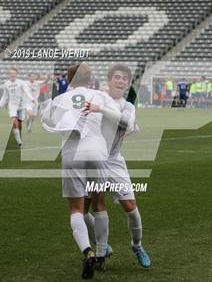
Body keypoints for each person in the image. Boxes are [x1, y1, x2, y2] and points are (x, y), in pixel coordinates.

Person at [41, 62, 120, 279]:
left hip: (71, 151)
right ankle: (102, 254)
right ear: (90, 79)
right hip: (96, 149)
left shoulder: (60, 99)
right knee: (99, 203)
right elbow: (116, 117)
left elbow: (47, 121)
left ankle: (88, 251)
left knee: (76, 209)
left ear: (69, 80)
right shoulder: (100, 95)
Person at [82, 64, 151, 270]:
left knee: (131, 209)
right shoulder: (97, 98)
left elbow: (126, 122)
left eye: (125, 79)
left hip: (114, 161)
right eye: (117, 77)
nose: (120, 81)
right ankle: (103, 249)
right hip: (94, 160)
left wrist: (100, 109)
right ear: (109, 80)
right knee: (85, 210)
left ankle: (137, 246)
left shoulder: (128, 106)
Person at [0, 68, 34, 148]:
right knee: (14, 122)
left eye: (14, 73)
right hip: (12, 106)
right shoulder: (6, 84)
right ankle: (19, 142)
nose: (12, 75)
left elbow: (27, 92)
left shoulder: (21, 83)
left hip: (22, 106)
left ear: (16, 74)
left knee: (19, 124)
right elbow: (4, 97)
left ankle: (18, 133)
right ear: (9, 75)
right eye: (11, 73)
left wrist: (32, 99)